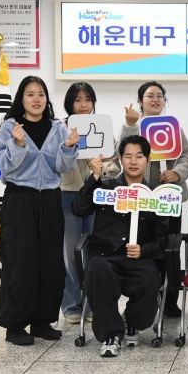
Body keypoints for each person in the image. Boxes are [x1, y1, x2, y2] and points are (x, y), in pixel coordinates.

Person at [0, 76, 79, 346]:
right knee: (21, 262)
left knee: (50, 262)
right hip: (20, 199)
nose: (36, 99)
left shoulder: (57, 127)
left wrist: (68, 148)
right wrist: (17, 145)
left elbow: (63, 167)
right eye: (30, 94)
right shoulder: (10, 127)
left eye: (41, 94)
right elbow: (4, 166)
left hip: (51, 199)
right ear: (21, 99)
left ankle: (43, 321)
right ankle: (15, 325)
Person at [72, 135, 169, 358]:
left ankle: (131, 320)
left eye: (139, 156)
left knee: (149, 282)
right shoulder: (106, 188)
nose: (133, 161)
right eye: (128, 156)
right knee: (98, 271)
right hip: (105, 255)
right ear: (120, 159)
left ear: (148, 160)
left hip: (139, 258)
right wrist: (94, 177)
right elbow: (79, 209)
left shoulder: (156, 196)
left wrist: (144, 250)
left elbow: (161, 239)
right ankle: (111, 334)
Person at [122, 81, 188, 317]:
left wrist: (177, 173)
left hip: (170, 199)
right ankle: (144, 299)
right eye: (150, 95)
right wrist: (130, 125)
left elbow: (187, 155)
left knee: (170, 249)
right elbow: (122, 155)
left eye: (159, 96)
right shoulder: (134, 126)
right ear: (140, 101)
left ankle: (170, 300)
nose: (155, 99)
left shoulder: (172, 126)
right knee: (143, 249)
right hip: (142, 201)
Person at [59, 82, 120, 324]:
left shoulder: (104, 129)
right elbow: (56, 163)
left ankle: (93, 301)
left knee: (95, 249)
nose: (83, 105)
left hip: (96, 195)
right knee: (69, 252)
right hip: (68, 194)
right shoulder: (60, 129)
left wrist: (100, 169)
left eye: (88, 99)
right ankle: (71, 304)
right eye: (78, 100)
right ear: (70, 103)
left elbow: (115, 167)